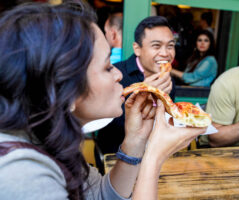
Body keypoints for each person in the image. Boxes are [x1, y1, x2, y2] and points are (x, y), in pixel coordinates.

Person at [0, 2, 207, 199]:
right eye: (108, 66)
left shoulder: (50, 139)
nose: (118, 74)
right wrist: (154, 157)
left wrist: (135, 143)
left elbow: (99, 196)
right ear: (66, 91)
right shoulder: (22, 176)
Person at [96, 16, 176, 156]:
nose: (165, 53)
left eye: (170, 46)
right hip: (115, 157)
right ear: (137, 49)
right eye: (156, 46)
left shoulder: (168, 80)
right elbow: (104, 123)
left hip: (153, 156)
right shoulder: (115, 75)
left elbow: (166, 122)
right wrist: (142, 95)